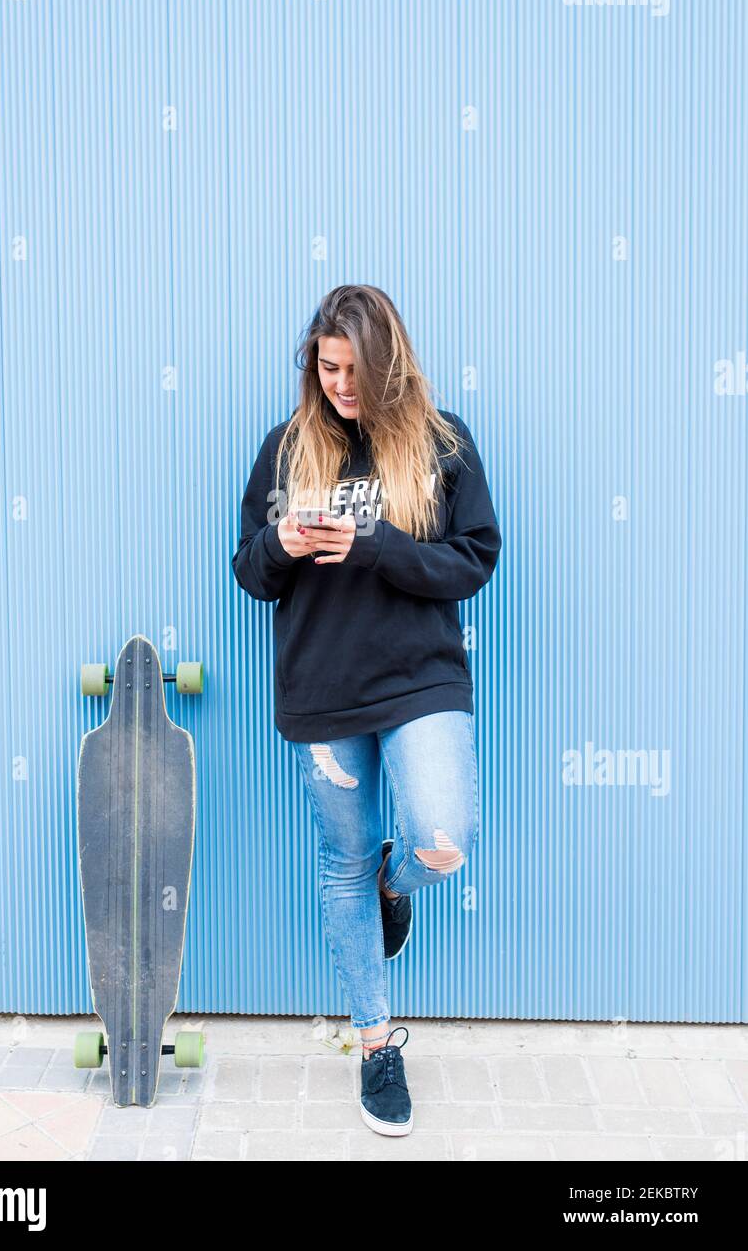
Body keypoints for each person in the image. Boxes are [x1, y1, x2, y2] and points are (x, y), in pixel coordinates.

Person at [230, 284, 502, 1136]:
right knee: (338, 861)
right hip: (323, 689)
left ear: (386, 363)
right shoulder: (285, 450)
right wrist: (280, 544)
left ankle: (398, 879)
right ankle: (377, 1044)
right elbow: (247, 572)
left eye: (354, 368)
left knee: (443, 835)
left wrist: (379, 545)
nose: (340, 384)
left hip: (421, 679)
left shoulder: (440, 443)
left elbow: (474, 562)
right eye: (326, 365)